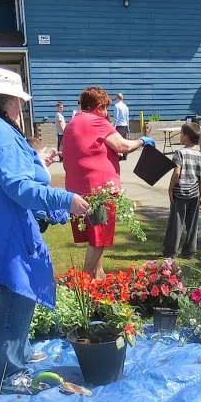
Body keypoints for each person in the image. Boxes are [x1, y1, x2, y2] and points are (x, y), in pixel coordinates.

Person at [0, 68, 89, 386]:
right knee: (16, 291)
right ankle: (9, 373)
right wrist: (67, 199)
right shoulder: (1, 133)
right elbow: (18, 187)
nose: (21, 107)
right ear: (5, 101)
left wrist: (35, 160)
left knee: (18, 289)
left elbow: (8, 172)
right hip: (4, 220)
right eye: (18, 101)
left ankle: (16, 350)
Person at [61, 86, 155, 279]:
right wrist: (142, 142)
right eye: (105, 108)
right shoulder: (98, 122)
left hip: (77, 191)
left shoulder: (72, 123)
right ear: (98, 106)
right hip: (100, 190)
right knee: (99, 238)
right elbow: (122, 146)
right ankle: (85, 280)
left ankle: (99, 275)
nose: (106, 113)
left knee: (94, 236)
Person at [163, 122, 201, 258]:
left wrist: (170, 189)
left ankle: (171, 251)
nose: (180, 136)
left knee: (176, 223)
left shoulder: (179, 153)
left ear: (186, 137)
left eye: (181, 133)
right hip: (194, 194)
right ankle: (190, 251)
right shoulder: (200, 156)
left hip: (180, 192)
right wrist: (200, 195)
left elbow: (177, 172)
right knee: (192, 224)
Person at [113, 93, 131, 160]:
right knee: (125, 141)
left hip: (119, 126)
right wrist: (128, 128)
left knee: (117, 141)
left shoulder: (116, 106)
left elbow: (116, 118)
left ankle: (117, 156)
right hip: (125, 125)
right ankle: (125, 155)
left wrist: (113, 127)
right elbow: (127, 118)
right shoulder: (126, 107)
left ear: (117, 98)